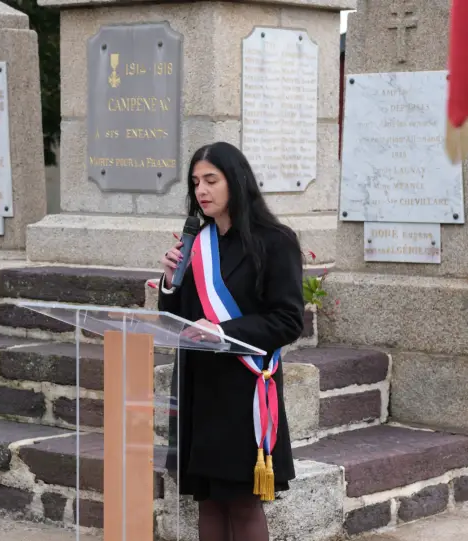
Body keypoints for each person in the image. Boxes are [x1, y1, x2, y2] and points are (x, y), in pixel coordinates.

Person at [158, 142, 306, 541]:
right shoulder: (197, 244)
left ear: (236, 181)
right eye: (195, 182)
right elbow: (179, 317)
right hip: (200, 387)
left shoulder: (275, 241)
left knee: (241, 501)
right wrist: (170, 283)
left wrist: (224, 332)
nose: (201, 190)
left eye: (211, 180)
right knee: (208, 499)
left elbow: (289, 320)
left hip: (244, 388)